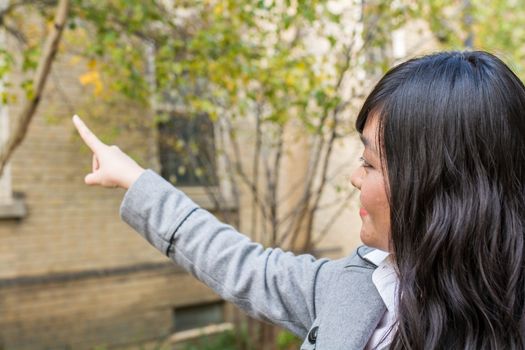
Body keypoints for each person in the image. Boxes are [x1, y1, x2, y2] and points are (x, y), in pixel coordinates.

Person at [72, 50, 525, 349]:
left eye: (369, 164)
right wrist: (135, 181)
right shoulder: (356, 287)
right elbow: (244, 266)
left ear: (440, 187)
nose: (353, 177)